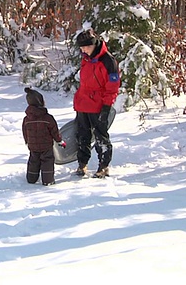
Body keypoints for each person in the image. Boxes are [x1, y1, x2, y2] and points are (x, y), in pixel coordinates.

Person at [73, 29, 121, 178]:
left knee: (101, 137)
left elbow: (112, 87)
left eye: (85, 47)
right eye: (81, 48)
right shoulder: (86, 58)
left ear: (93, 44)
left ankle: (103, 166)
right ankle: (82, 164)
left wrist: (107, 107)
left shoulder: (108, 61)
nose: (83, 50)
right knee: (82, 135)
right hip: (83, 103)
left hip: (99, 105)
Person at [22, 87, 66, 185]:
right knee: (47, 162)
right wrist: (59, 141)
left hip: (33, 145)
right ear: (41, 102)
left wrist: (27, 141)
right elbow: (55, 132)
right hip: (46, 146)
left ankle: (31, 178)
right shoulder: (48, 118)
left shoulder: (27, 119)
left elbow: (25, 131)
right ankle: (48, 180)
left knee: (33, 161)